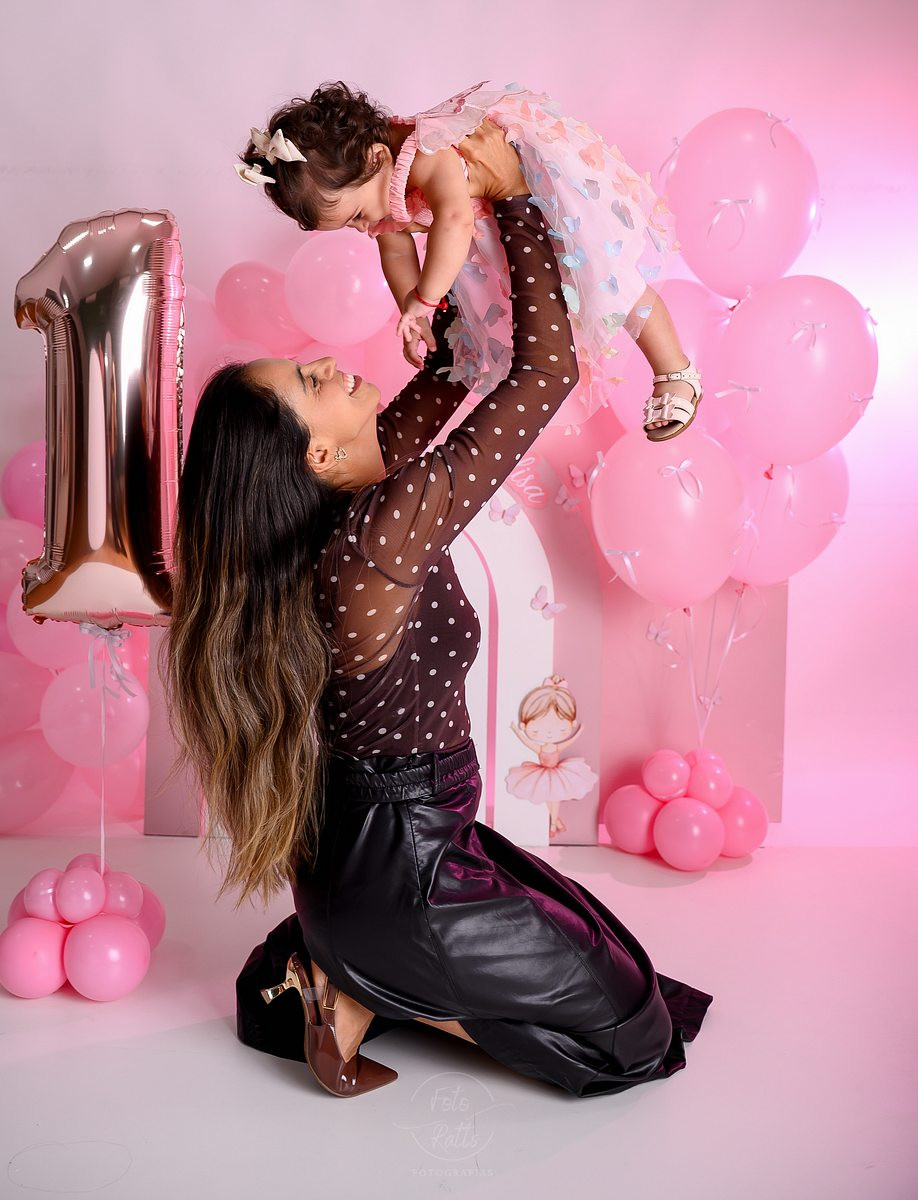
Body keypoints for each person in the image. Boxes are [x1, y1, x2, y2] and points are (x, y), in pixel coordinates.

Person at [165, 131, 712, 1100]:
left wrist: (458, 223)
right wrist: (520, 199)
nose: (328, 363)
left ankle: (345, 973)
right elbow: (543, 376)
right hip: (404, 874)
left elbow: (462, 367)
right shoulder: (378, 536)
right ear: (317, 458)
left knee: (607, 947)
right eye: (311, 383)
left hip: (376, 850)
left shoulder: (349, 500)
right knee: (638, 1027)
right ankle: (368, 984)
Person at [235, 79, 704, 440]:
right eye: (349, 226)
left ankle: (675, 372)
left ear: (377, 158)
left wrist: (426, 296)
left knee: (610, 281)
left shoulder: (426, 152)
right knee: (546, 304)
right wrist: (412, 312)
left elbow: (456, 219)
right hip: (504, 224)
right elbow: (394, 246)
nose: (362, 227)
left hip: (538, 192)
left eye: (356, 215)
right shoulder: (374, 187)